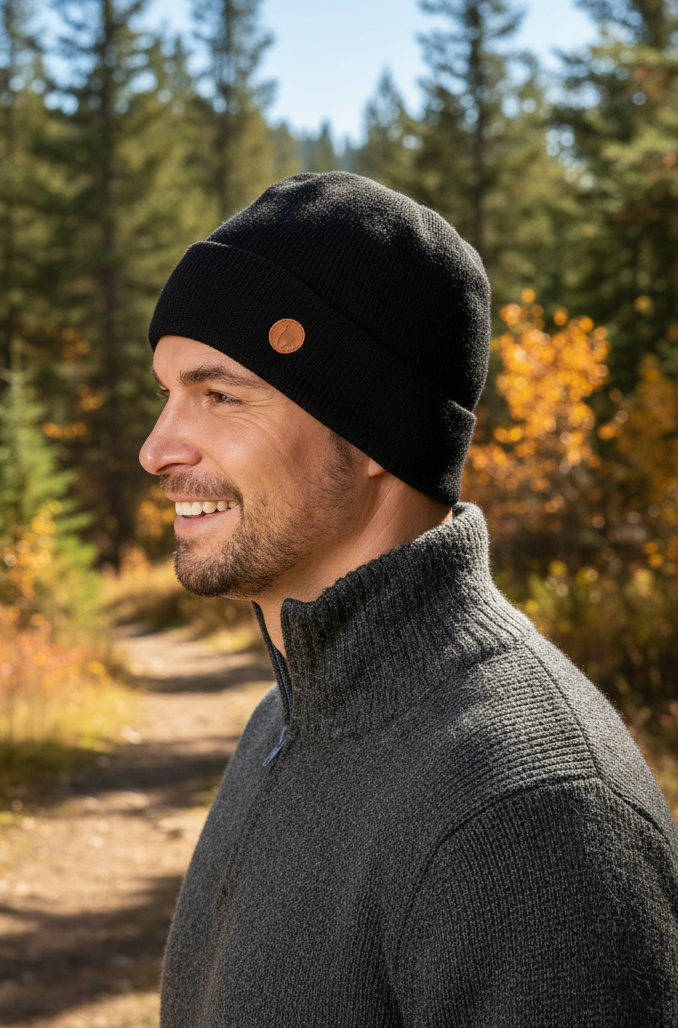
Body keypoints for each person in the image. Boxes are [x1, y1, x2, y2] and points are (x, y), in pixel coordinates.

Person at [139, 172, 678, 1027]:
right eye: (166, 394)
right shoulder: (286, 723)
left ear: (372, 426)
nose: (157, 447)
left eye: (218, 394)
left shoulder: (527, 812)